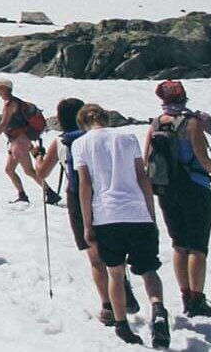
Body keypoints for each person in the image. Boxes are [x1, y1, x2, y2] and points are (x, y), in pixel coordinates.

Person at [145, 80, 211, 318]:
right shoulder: (191, 123)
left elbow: (147, 158)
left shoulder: (156, 123)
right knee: (198, 247)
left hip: (166, 190)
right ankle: (197, 299)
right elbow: (204, 161)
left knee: (179, 244)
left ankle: (185, 296)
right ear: (183, 97)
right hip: (194, 189)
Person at [75, 103, 172, 347]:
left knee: (115, 274)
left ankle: (122, 324)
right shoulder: (127, 137)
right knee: (149, 269)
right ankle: (158, 308)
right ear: (105, 118)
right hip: (137, 212)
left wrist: (87, 223)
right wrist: (150, 213)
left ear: (83, 123)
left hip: (107, 215)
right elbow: (142, 177)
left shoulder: (81, 144)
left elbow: (85, 185)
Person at [38, 97, 137, 325]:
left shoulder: (61, 142)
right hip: (106, 194)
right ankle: (121, 285)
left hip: (77, 199)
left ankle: (107, 305)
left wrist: (37, 155)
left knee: (94, 258)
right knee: (113, 248)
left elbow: (42, 173)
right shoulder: (97, 137)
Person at [0, 79, 59, 205]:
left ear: (4, 88)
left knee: (28, 171)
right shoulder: (16, 102)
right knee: (9, 169)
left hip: (19, 141)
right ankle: (23, 195)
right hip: (19, 140)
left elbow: (3, 124)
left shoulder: (10, 104)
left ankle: (49, 193)